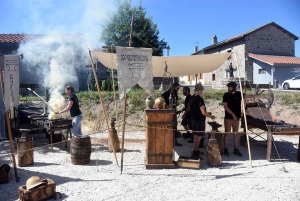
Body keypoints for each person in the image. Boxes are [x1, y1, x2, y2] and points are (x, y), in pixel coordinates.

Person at [190, 82, 215, 157]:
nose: (202, 92)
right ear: (200, 90)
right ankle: (195, 152)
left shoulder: (192, 98)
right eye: (202, 90)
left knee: (195, 136)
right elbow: (203, 112)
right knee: (199, 136)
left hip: (193, 119)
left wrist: (207, 113)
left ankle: (195, 150)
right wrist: (211, 117)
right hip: (199, 120)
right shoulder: (200, 99)